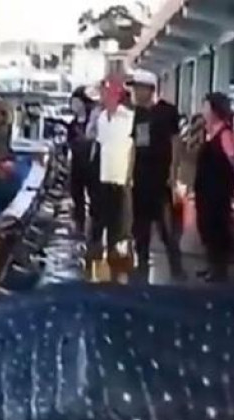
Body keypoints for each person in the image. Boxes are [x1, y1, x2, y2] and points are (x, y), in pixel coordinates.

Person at [128, 69, 186, 282]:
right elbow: (135, 144)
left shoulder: (168, 111)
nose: (134, 93)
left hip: (161, 177)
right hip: (141, 176)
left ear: (149, 89)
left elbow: (176, 142)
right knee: (140, 226)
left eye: (137, 88)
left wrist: (173, 171)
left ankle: (176, 269)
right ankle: (141, 265)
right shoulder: (138, 114)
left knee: (166, 227)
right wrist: (129, 174)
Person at [92, 75, 135, 282]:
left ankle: (123, 260)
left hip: (122, 176)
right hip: (104, 175)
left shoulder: (128, 118)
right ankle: (108, 257)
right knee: (105, 218)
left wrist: (130, 174)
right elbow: (101, 146)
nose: (103, 97)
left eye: (106, 93)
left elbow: (133, 147)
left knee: (122, 221)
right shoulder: (101, 118)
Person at [194, 93, 234, 282]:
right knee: (206, 226)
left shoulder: (225, 134)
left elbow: (233, 160)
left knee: (217, 227)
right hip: (205, 188)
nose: (203, 110)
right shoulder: (208, 132)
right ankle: (211, 265)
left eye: (205, 106)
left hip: (218, 189)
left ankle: (219, 269)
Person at [68, 86, 100, 234]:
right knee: (76, 193)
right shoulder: (73, 124)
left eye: (77, 101)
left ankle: (94, 225)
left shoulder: (94, 119)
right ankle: (79, 223)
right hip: (77, 163)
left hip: (92, 163)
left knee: (94, 195)